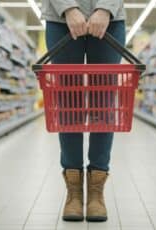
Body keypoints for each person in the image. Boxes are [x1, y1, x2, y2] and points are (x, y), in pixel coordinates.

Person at [41, 0, 125, 222]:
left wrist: (106, 7)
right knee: (69, 104)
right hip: (60, 18)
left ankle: (96, 192)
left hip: (111, 17)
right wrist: (68, 7)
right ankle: (74, 193)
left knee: (104, 104)